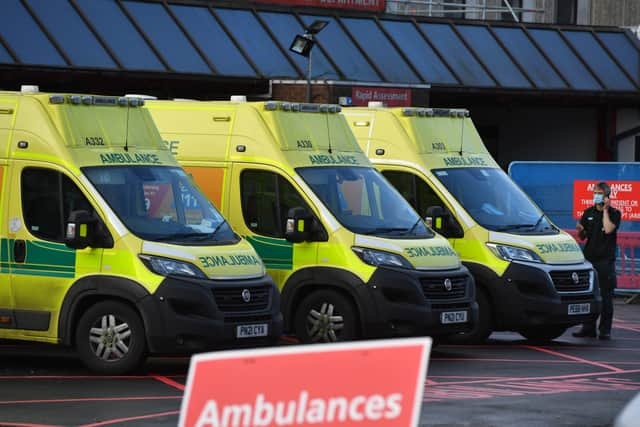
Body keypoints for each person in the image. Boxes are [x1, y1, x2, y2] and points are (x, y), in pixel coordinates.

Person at [572, 181, 621, 340]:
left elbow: (608, 229)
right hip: (589, 259)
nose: (596, 196)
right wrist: (580, 231)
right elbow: (583, 237)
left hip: (605, 261)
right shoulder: (588, 212)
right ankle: (588, 328)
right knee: (588, 295)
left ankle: (605, 330)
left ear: (606, 196)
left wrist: (605, 210)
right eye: (594, 193)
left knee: (606, 296)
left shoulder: (614, 213)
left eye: (599, 193)